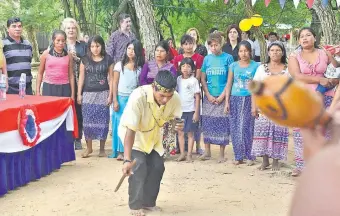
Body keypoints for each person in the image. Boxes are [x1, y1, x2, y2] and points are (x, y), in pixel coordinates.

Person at [119, 70, 183, 216]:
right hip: (134, 137)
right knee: (139, 164)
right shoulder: (138, 97)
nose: (166, 100)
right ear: (154, 87)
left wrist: (178, 126)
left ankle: (148, 203)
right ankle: (135, 206)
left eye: (169, 96)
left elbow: (174, 122)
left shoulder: (175, 98)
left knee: (157, 166)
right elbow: (130, 131)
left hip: (154, 138)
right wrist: (127, 160)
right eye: (162, 96)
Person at [288, 27, 340, 176]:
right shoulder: (294, 55)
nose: (305, 38)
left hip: (326, 96)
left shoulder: (323, 53)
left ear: (315, 38)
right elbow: (297, 75)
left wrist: (332, 56)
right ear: (298, 41)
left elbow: (335, 69)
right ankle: (301, 165)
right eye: (302, 36)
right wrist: (320, 79)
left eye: (308, 35)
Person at [251, 42, 290, 171]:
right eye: (272, 50)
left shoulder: (287, 69)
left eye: (278, 50)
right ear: (268, 53)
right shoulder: (262, 68)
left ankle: (276, 161)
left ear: (282, 53)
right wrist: (254, 106)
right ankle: (265, 161)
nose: (275, 52)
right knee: (263, 132)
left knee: (278, 133)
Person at [200, 32, 234, 162]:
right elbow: (203, 78)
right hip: (209, 95)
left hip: (223, 96)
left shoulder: (228, 58)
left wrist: (223, 96)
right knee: (207, 122)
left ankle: (221, 154)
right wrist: (207, 94)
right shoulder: (207, 59)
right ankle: (207, 151)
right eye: (211, 45)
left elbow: (230, 79)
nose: (214, 48)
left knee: (222, 123)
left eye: (216, 45)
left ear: (221, 44)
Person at [76, 35, 113, 158]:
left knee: (103, 121)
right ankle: (89, 148)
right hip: (88, 94)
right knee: (88, 121)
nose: (95, 48)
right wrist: (79, 94)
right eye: (92, 46)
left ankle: (102, 149)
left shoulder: (108, 59)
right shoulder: (85, 60)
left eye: (97, 46)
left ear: (101, 46)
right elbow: (81, 77)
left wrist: (111, 95)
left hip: (103, 93)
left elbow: (112, 79)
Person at [224, 41, 259, 165]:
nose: (243, 53)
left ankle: (250, 155)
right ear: (238, 52)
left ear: (250, 51)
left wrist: (256, 105)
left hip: (250, 98)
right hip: (235, 98)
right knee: (235, 128)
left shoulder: (256, 66)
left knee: (247, 127)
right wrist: (227, 101)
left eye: (246, 51)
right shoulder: (233, 65)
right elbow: (229, 83)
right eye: (241, 51)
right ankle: (238, 156)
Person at [110, 39, 145, 160]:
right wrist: (115, 100)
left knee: (132, 125)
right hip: (120, 98)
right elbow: (114, 83)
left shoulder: (140, 68)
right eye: (129, 48)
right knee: (119, 124)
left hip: (133, 99)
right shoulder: (119, 65)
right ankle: (120, 151)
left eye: (133, 49)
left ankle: (130, 150)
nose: (131, 51)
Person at [61, 17, 88, 150]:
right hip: (64, 82)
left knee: (78, 111)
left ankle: (78, 138)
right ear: (64, 30)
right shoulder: (60, 43)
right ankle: (66, 139)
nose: (71, 30)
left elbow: (88, 62)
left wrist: (76, 58)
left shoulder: (83, 45)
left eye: (73, 28)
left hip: (80, 82)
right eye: (68, 28)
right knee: (65, 110)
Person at [36, 30, 75, 99]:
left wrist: (72, 94)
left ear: (65, 41)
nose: (60, 43)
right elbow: (40, 73)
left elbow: (71, 75)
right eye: (58, 40)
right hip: (49, 87)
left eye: (63, 41)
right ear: (53, 40)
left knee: (64, 109)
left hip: (65, 87)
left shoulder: (69, 56)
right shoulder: (46, 54)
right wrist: (37, 91)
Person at [176, 58, 200, 162]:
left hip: (190, 110)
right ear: (180, 68)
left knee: (190, 133)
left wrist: (196, 112)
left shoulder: (194, 81)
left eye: (188, 66)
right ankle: (182, 154)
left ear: (192, 69)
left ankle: (189, 154)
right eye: (183, 66)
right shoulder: (178, 79)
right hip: (179, 111)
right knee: (180, 133)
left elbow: (197, 97)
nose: (185, 68)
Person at [3, 17, 33, 95]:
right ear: (8, 29)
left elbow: (28, 63)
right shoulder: (3, 45)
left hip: (27, 88)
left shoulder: (28, 44)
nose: (17, 28)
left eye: (19, 26)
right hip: (10, 88)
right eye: (14, 26)